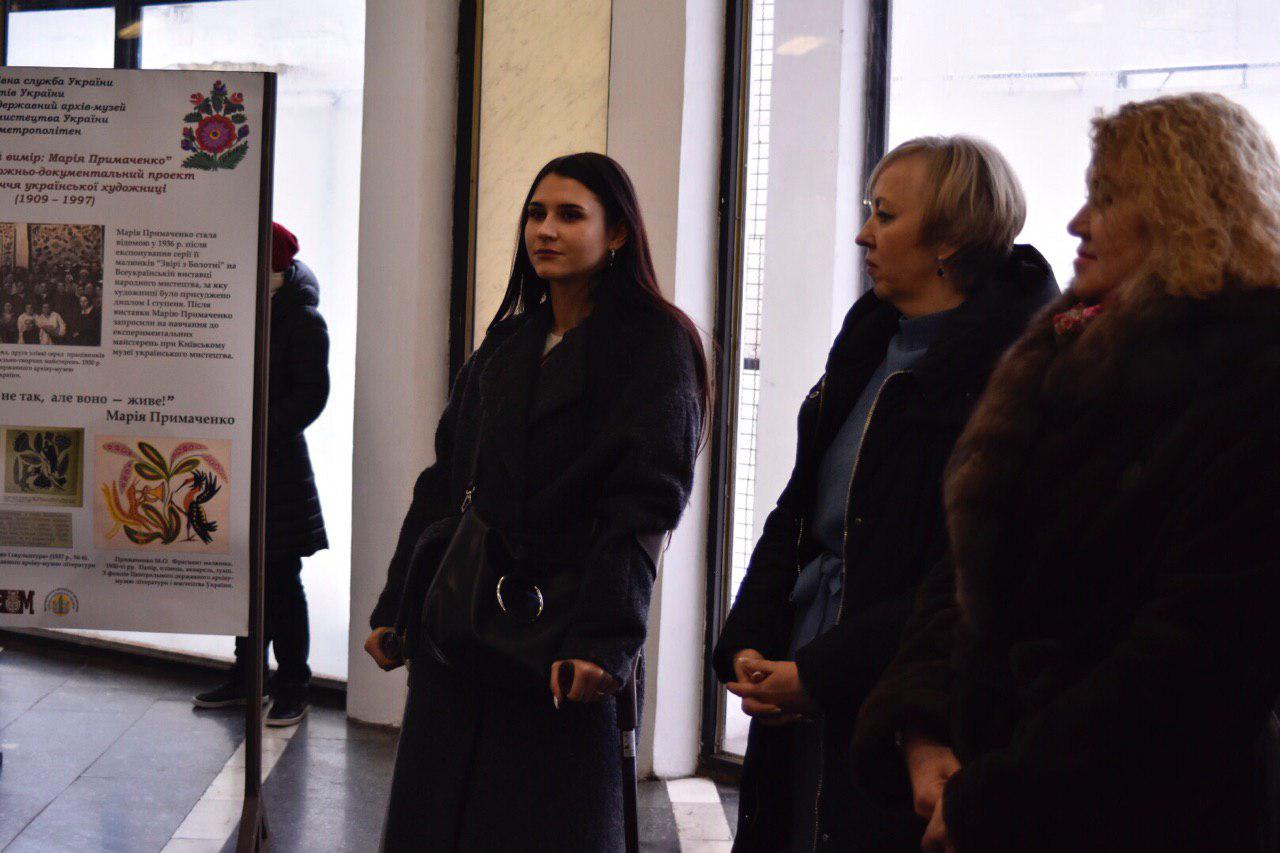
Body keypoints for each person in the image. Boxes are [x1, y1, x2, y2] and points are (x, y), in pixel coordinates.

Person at [853, 93, 1280, 853]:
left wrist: (998, 793)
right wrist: (921, 727)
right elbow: (965, 573)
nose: (1078, 223)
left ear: (1185, 211)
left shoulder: (1252, 383)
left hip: (1148, 816)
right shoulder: (1063, 351)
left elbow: (1194, 657)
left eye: (1106, 199)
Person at [712, 136, 1058, 852]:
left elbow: (962, 576)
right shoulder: (869, 336)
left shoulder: (1015, 371)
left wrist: (822, 673)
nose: (863, 234)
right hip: (804, 662)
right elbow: (800, 507)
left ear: (951, 238)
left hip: (905, 692)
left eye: (886, 215)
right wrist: (751, 636)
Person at [365, 152, 707, 851]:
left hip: (563, 632)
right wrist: (399, 604)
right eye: (535, 213)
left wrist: (605, 640)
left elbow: (643, 509)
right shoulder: (509, 341)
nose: (545, 230)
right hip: (460, 628)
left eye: (570, 215)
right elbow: (444, 483)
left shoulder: (654, 344)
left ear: (617, 233)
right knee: (440, 823)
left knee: (541, 826)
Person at [194, 222, 330, 726]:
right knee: (244, 574)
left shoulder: (302, 318)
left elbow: (312, 394)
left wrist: (259, 426)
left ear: (269, 264)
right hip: (234, 459)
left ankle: (294, 683)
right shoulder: (242, 303)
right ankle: (247, 676)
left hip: (278, 468)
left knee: (281, 580)